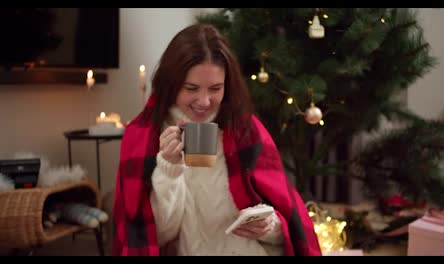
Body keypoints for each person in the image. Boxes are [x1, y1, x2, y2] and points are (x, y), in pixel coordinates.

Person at [112, 23, 322, 256]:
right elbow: (153, 237)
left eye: (215, 88)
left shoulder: (246, 130)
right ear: (170, 83)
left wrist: (268, 226)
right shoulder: (141, 136)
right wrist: (168, 168)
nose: (204, 101)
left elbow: (288, 226)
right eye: (191, 88)